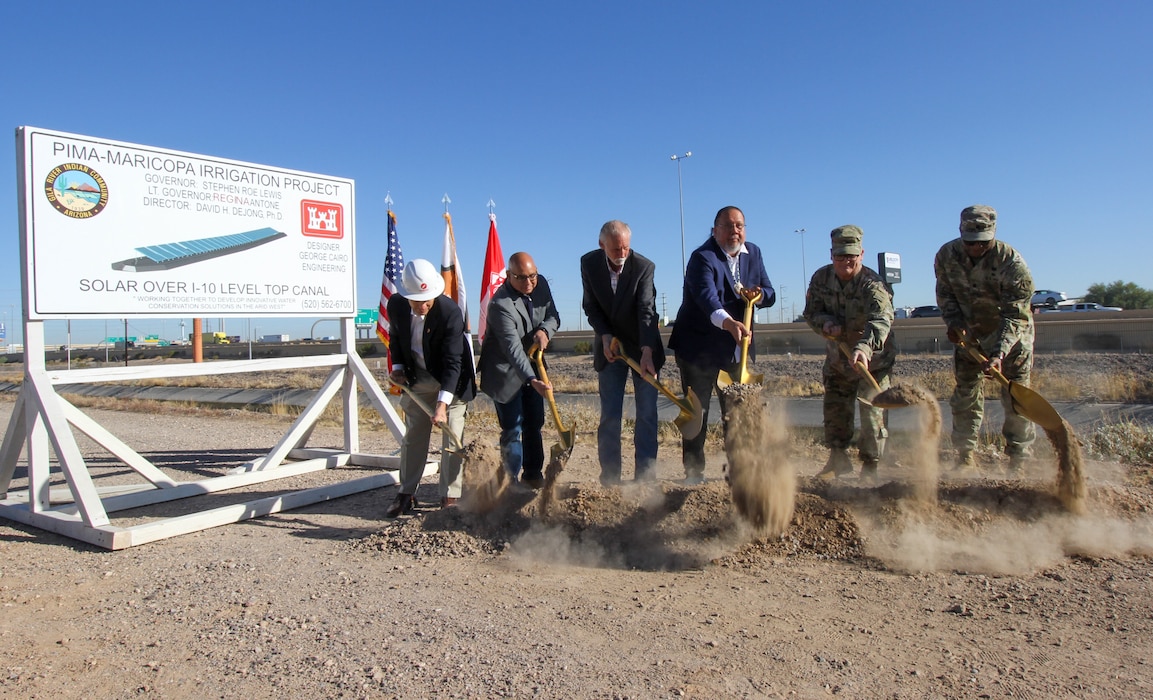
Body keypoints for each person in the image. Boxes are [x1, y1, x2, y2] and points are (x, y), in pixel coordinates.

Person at [668, 206, 775, 485]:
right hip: (698, 349)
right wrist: (729, 324)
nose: (734, 231)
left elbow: (770, 292)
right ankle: (694, 473)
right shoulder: (702, 258)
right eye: (727, 226)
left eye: (739, 225)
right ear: (715, 230)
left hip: (735, 350)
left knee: (737, 412)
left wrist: (760, 294)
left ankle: (740, 472)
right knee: (697, 412)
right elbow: (707, 298)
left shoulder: (754, 253)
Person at [934, 204, 1035, 474]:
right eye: (970, 242)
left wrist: (999, 353)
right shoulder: (947, 255)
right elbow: (946, 296)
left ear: (993, 235)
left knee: (1016, 401)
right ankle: (965, 457)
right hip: (970, 339)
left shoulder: (1012, 262)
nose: (975, 248)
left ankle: (1018, 460)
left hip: (1011, 341)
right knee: (965, 396)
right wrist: (955, 324)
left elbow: (1016, 314)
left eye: (982, 243)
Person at [384, 259, 477, 518]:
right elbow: (396, 337)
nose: (423, 305)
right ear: (405, 295)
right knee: (413, 435)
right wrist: (399, 367)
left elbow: (453, 362)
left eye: (427, 299)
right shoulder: (396, 305)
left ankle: (450, 497)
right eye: (417, 300)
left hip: (452, 382)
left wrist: (442, 405)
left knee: (452, 436)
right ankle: (406, 492)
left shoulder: (449, 312)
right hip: (418, 378)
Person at [802, 225, 896, 482]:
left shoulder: (873, 285)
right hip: (838, 360)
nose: (846, 261)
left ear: (862, 254)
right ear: (831, 254)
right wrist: (825, 323)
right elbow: (811, 312)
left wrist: (865, 348)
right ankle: (838, 459)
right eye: (840, 256)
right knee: (835, 411)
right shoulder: (821, 279)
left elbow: (881, 319)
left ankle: (871, 466)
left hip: (872, 362)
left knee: (872, 414)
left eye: (851, 256)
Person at [580, 220, 664, 485]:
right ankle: (610, 479)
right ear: (601, 245)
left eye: (626, 248)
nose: (622, 254)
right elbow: (591, 307)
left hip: (643, 346)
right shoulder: (589, 264)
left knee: (647, 414)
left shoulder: (643, 267)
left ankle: (645, 479)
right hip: (610, 350)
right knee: (610, 416)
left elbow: (646, 310)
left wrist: (647, 351)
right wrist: (605, 337)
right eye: (616, 249)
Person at [477, 252, 561, 488]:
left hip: (533, 364)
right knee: (512, 427)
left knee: (534, 422)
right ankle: (510, 482)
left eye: (532, 276)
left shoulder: (541, 283)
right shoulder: (500, 305)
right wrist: (533, 379)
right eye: (521, 278)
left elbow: (553, 316)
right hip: (504, 370)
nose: (529, 283)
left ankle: (533, 474)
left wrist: (545, 330)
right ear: (508, 276)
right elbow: (513, 350)